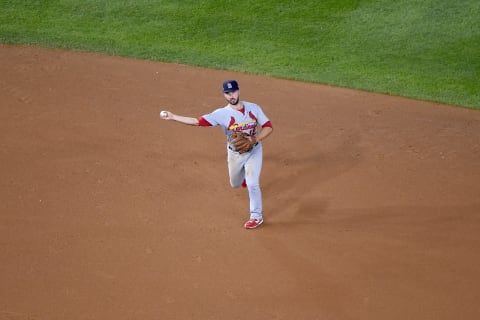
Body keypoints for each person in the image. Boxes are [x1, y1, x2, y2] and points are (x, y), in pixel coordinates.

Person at [160, 80, 273, 229]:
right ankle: (243, 177)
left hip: (254, 151)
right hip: (235, 154)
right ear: (224, 95)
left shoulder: (254, 108)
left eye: (233, 92)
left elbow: (268, 127)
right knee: (235, 184)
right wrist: (174, 117)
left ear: (238, 91)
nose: (231, 96)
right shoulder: (221, 114)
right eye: (227, 93)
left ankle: (256, 216)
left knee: (253, 184)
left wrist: (255, 139)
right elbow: (196, 121)